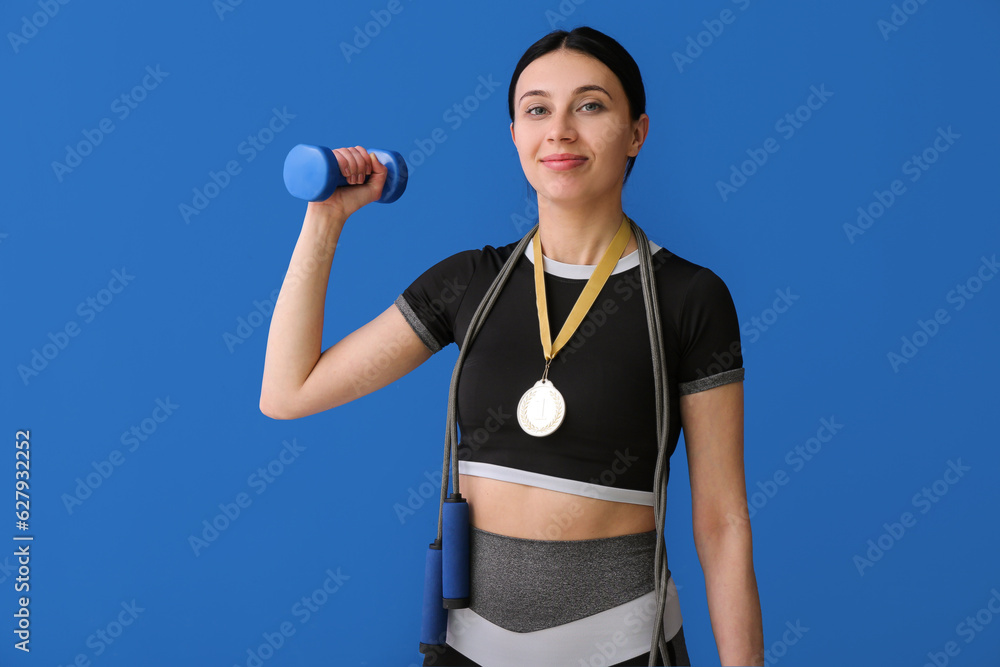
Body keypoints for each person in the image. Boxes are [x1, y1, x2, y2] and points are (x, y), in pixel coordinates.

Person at [259, 25, 764, 667]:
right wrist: (324, 220)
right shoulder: (468, 283)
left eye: (590, 105)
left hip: (625, 651)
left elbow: (722, 522)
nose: (559, 130)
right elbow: (287, 391)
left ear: (636, 131)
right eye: (536, 110)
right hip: (467, 654)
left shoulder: (690, 297)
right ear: (515, 136)